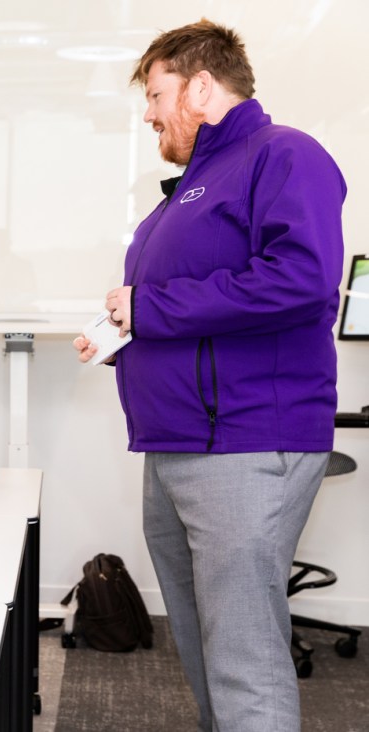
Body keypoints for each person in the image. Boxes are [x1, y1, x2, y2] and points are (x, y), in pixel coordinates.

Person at [73, 20, 345, 732]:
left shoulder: (284, 154)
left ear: (201, 85)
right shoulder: (188, 189)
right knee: (200, 642)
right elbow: (179, 310)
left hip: (245, 443)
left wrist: (150, 306)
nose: (149, 112)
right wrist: (119, 331)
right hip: (177, 446)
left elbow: (303, 281)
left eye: (157, 93)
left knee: (243, 653)